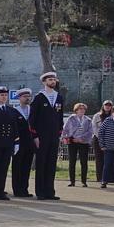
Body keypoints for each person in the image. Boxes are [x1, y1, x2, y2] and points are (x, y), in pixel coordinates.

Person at [30, 72, 64, 200]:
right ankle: (40, 192)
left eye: (54, 79)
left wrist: (59, 132)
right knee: (41, 163)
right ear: (44, 82)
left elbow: (60, 116)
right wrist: (35, 136)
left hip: (54, 136)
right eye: (50, 79)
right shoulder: (39, 97)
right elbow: (32, 118)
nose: (53, 81)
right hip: (41, 136)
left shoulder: (58, 97)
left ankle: (50, 191)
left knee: (51, 164)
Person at [61, 102, 93, 187]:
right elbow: (65, 129)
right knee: (72, 162)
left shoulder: (88, 120)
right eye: (80, 109)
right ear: (76, 110)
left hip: (83, 142)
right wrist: (66, 138)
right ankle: (72, 181)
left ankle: (84, 181)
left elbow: (90, 132)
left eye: (83, 109)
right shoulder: (71, 118)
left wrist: (81, 138)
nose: (82, 110)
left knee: (84, 162)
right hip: (72, 142)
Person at [10, 88, 34, 197]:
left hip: (30, 143)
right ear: (19, 98)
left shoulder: (32, 110)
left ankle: (24, 189)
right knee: (17, 166)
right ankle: (17, 190)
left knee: (26, 167)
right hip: (18, 143)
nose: (27, 98)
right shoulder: (14, 111)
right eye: (25, 97)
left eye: (28, 96)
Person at [98, 105, 114, 189]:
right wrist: (102, 145)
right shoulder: (107, 120)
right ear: (112, 112)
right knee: (107, 165)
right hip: (108, 147)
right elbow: (100, 133)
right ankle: (104, 181)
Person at [91, 100, 113, 182]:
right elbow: (94, 127)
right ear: (103, 106)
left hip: (110, 140)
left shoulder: (113, 116)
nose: (107, 107)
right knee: (99, 159)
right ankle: (100, 177)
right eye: (106, 105)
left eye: (109, 105)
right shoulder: (97, 116)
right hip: (98, 139)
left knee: (109, 159)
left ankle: (110, 178)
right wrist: (101, 137)